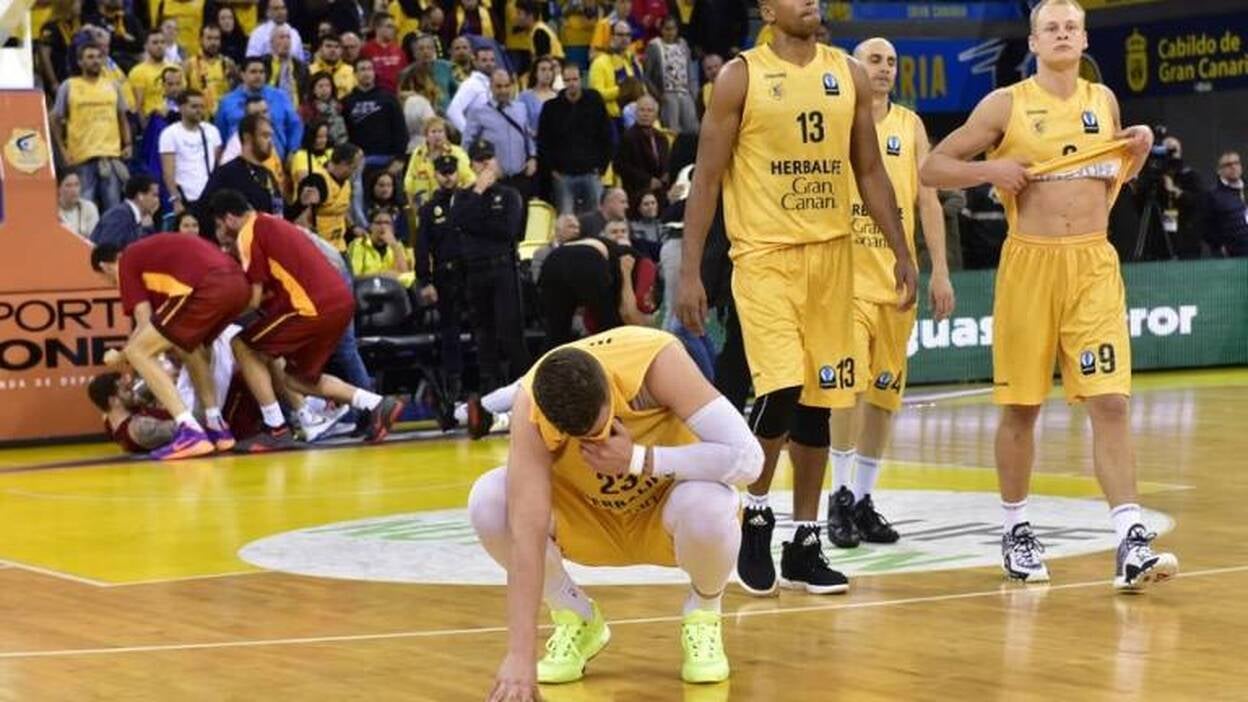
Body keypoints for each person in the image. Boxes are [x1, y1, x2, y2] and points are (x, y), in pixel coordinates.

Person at [919, 0, 1177, 590]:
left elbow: (1104, 183)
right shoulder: (1005, 104)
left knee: (1111, 403)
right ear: (1033, 42)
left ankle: (1130, 539)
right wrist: (990, 172)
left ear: (1084, 40)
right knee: (1022, 407)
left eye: (1071, 27)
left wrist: (1136, 152)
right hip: (1030, 266)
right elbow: (932, 168)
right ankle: (1015, 529)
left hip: (1092, 265)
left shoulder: (1102, 101)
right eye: (1050, 28)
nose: (1062, 35)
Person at [676, 0, 918, 597]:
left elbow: (869, 171)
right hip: (765, 258)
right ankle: (756, 515)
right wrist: (689, 272)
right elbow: (707, 178)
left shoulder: (847, 73)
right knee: (781, 389)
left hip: (834, 257)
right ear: (766, 9)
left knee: (820, 402)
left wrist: (901, 250)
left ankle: (805, 542)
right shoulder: (741, 77)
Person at [474, 327, 763, 698]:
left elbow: (749, 460)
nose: (595, 443)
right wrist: (518, 655)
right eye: (581, 440)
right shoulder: (531, 407)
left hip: (664, 511)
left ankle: (704, 612)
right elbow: (526, 537)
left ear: (611, 391)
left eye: (601, 430)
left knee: (711, 504)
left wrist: (640, 459)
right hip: (590, 520)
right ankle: (575, 616)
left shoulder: (656, 362)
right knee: (489, 502)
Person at [825, 38, 957, 549]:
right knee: (849, 390)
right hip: (848, 281)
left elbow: (928, 202)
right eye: (874, 60)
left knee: (883, 397)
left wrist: (939, 270)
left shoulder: (910, 125)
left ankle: (862, 499)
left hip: (897, 282)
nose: (884, 69)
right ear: (855, 67)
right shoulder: (838, 121)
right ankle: (838, 496)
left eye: (891, 62)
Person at [208, 189, 405, 450]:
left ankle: (276, 428)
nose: (219, 233)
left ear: (230, 219)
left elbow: (253, 300)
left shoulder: (248, 234)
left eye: (219, 225)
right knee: (298, 378)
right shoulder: (271, 222)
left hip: (312, 306)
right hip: (339, 301)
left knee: (242, 345)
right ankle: (376, 403)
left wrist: (215, 319)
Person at [90, 233, 251, 459]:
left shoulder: (126, 261)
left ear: (105, 266)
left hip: (207, 286)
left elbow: (143, 322)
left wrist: (121, 356)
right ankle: (215, 425)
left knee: (138, 352)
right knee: (189, 346)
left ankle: (189, 429)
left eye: (109, 281)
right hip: (239, 286)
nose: (115, 285)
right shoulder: (151, 257)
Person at [454, 139, 531, 393]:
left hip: (502, 268)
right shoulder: (464, 195)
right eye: (479, 160)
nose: (485, 164)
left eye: (489, 158)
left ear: (496, 161)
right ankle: (490, 390)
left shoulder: (509, 194)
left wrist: (477, 224)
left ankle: (524, 387)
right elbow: (460, 222)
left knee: (511, 330)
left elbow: (508, 230)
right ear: (472, 165)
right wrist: (478, 192)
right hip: (475, 270)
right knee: (483, 333)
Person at [50, 44, 132, 210]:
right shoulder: (69, 85)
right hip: (81, 158)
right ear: (80, 62)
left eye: (99, 57)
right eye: (90, 57)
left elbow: (122, 117)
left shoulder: (113, 85)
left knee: (113, 209)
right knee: (84, 208)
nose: (95, 61)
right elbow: (55, 120)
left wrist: (128, 143)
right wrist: (62, 150)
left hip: (110, 157)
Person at [416, 155, 470, 402]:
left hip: (472, 272)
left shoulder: (469, 201)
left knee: (483, 327)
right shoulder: (429, 209)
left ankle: (487, 380)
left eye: (451, 172)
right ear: (435, 174)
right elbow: (422, 248)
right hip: (446, 276)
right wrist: (425, 281)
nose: (448, 177)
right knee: (450, 331)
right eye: (443, 172)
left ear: (458, 173)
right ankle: (454, 385)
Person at [538, 228, 647, 348]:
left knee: (556, 331)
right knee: (609, 326)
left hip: (554, 258)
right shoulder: (633, 262)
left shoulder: (607, 247)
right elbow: (624, 313)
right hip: (586, 258)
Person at [538, 64, 614, 215]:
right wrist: (552, 169)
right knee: (566, 218)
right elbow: (544, 141)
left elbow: (606, 134)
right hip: (563, 175)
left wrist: (602, 166)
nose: (571, 84)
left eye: (575, 79)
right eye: (567, 80)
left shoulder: (595, 102)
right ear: (563, 81)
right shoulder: (551, 107)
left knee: (596, 218)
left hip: (591, 172)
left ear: (581, 79)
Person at [464, 69, 538, 198]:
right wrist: (481, 169)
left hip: (520, 178)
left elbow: (527, 137)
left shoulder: (521, 108)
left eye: (506, 86)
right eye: (498, 86)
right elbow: (467, 145)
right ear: (491, 87)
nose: (503, 90)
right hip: (493, 181)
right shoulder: (478, 112)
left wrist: (532, 158)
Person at [217, 56, 304, 159]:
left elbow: (295, 125)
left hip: (276, 160)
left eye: (261, 72)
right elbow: (220, 135)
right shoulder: (227, 102)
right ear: (242, 75)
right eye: (253, 72)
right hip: (239, 159)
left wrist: (292, 151)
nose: (258, 76)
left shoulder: (279, 96)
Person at [201, 112, 285, 215]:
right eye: (265, 136)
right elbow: (203, 209)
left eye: (271, 136)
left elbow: (281, 213)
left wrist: (300, 204)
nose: (271, 142)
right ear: (247, 138)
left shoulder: (269, 174)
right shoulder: (227, 173)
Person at [159, 90, 225, 215]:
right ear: (181, 108)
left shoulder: (212, 131)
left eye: (202, 107)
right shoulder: (169, 134)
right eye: (194, 106)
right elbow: (168, 172)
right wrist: (176, 200)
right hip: (185, 196)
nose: (199, 110)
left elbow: (219, 163)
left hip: (210, 195)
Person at [87, 371, 176, 454]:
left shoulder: (110, 422)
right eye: (126, 390)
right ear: (113, 400)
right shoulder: (140, 428)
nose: (132, 392)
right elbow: (181, 427)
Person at [614, 94, 670, 212]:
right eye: (642, 110)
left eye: (649, 111)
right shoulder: (628, 137)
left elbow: (666, 162)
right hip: (637, 196)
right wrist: (647, 181)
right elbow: (620, 166)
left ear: (656, 114)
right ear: (636, 113)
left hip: (660, 196)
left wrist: (666, 174)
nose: (645, 114)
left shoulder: (662, 138)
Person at [403, 117, 475, 209]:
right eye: (433, 132)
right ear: (426, 135)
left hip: (450, 206)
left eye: (440, 131)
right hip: (424, 207)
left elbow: (470, 179)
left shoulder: (456, 152)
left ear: (446, 134)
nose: (437, 135)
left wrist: (459, 196)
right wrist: (412, 201)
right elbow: (409, 180)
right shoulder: (418, 154)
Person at [644, 16, 698, 135]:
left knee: (692, 129)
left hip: (685, 92)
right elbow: (647, 76)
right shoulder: (654, 46)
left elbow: (690, 71)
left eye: (673, 29)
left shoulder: (683, 44)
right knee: (672, 131)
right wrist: (658, 96)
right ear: (661, 30)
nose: (670, 32)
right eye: (667, 29)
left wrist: (694, 94)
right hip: (667, 94)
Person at [589, 20, 644, 120]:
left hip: (638, 116)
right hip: (611, 118)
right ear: (612, 37)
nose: (625, 38)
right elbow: (595, 95)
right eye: (620, 35)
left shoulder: (633, 61)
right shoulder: (599, 62)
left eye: (628, 35)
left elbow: (642, 89)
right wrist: (620, 90)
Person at [90, 175, 160, 248]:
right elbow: (109, 248)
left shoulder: (143, 219)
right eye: (154, 195)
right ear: (140, 196)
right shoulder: (118, 215)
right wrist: (145, 229)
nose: (157, 201)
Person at [185, 23, 238, 118]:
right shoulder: (189, 65)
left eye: (216, 39)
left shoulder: (228, 64)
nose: (213, 43)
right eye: (209, 38)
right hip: (199, 116)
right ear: (201, 40)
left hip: (224, 116)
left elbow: (235, 92)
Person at [348, 207, 413, 284]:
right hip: (368, 288)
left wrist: (394, 246)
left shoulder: (397, 245)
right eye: (378, 223)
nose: (383, 227)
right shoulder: (358, 244)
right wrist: (382, 276)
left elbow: (405, 276)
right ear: (371, 227)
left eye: (387, 223)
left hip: (393, 289)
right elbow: (354, 278)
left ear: (392, 228)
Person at [446, 45, 497, 133]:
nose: (489, 64)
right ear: (475, 62)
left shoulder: (493, 83)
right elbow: (453, 111)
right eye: (484, 60)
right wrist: (469, 134)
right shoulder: (471, 84)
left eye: (492, 60)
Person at [1209, 151, 1247, 257]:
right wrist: (1219, 246)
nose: (1233, 167)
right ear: (1219, 170)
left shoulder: (1245, 188)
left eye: (1236, 163)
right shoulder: (1213, 195)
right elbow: (1207, 226)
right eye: (1228, 165)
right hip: (1234, 253)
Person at [360, 12, 408, 94]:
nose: (393, 30)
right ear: (377, 28)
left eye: (393, 27)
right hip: (374, 94)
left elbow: (404, 75)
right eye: (389, 26)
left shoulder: (399, 50)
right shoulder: (366, 50)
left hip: (396, 94)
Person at [300, 72, 350, 145]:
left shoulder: (339, 106)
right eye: (320, 86)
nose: (324, 89)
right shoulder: (306, 109)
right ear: (313, 90)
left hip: (341, 145)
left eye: (327, 85)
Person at [264, 25, 308, 107]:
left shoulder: (301, 66)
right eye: (281, 37)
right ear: (271, 42)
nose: (286, 41)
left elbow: (305, 94)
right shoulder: (263, 63)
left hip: (295, 111)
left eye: (288, 37)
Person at [518, 55, 559, 136]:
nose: (547, 73)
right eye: (543, 69)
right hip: (534, 141)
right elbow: (521, 122)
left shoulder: (559, 96)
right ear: (535, 73)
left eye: (550, 69)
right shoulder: (525, 97)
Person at [309, 33, 357, 99]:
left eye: (336, 47)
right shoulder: (309, 70)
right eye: (328, 46)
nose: (333, 50)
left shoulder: (351, 71)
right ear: (320, 49)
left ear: (341, 50)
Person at [57, 171, 101, 238]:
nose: (74, 190)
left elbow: (94, 239)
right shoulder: (50, 212)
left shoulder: (89, 208)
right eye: (68, 186)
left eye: (77, 185)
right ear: (58, 189)